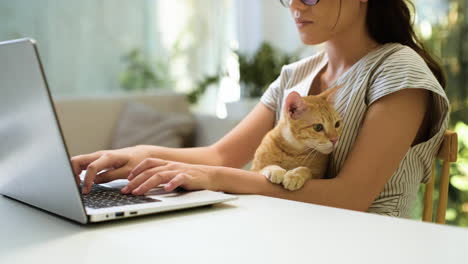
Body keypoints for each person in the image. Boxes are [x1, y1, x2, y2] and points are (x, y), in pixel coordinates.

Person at [72, 0, 449, 218]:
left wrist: (214, 178)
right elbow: (221, 154)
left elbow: (349, 198)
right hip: (288, 230)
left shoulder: (399, 69)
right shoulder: (296, 75)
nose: (297, 6)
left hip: (370, 246)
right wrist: (139, 154)